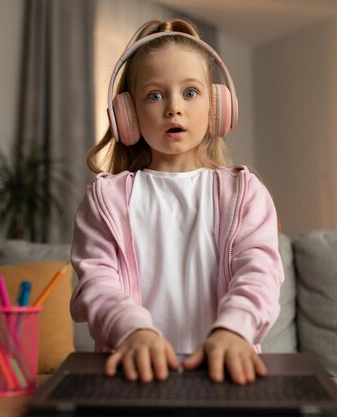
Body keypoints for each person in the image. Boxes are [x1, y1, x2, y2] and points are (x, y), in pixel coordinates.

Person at [70, 18, 284, 386]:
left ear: (218, 106)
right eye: (155, 95)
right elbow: (96, 283)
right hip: (130, 375)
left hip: (226, 376)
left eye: (190, 92)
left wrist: (235, 329)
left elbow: (260, 274)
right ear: (127, 114)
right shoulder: (105, 198)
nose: (173, 108)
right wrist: (132, 331)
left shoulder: (245, 193)